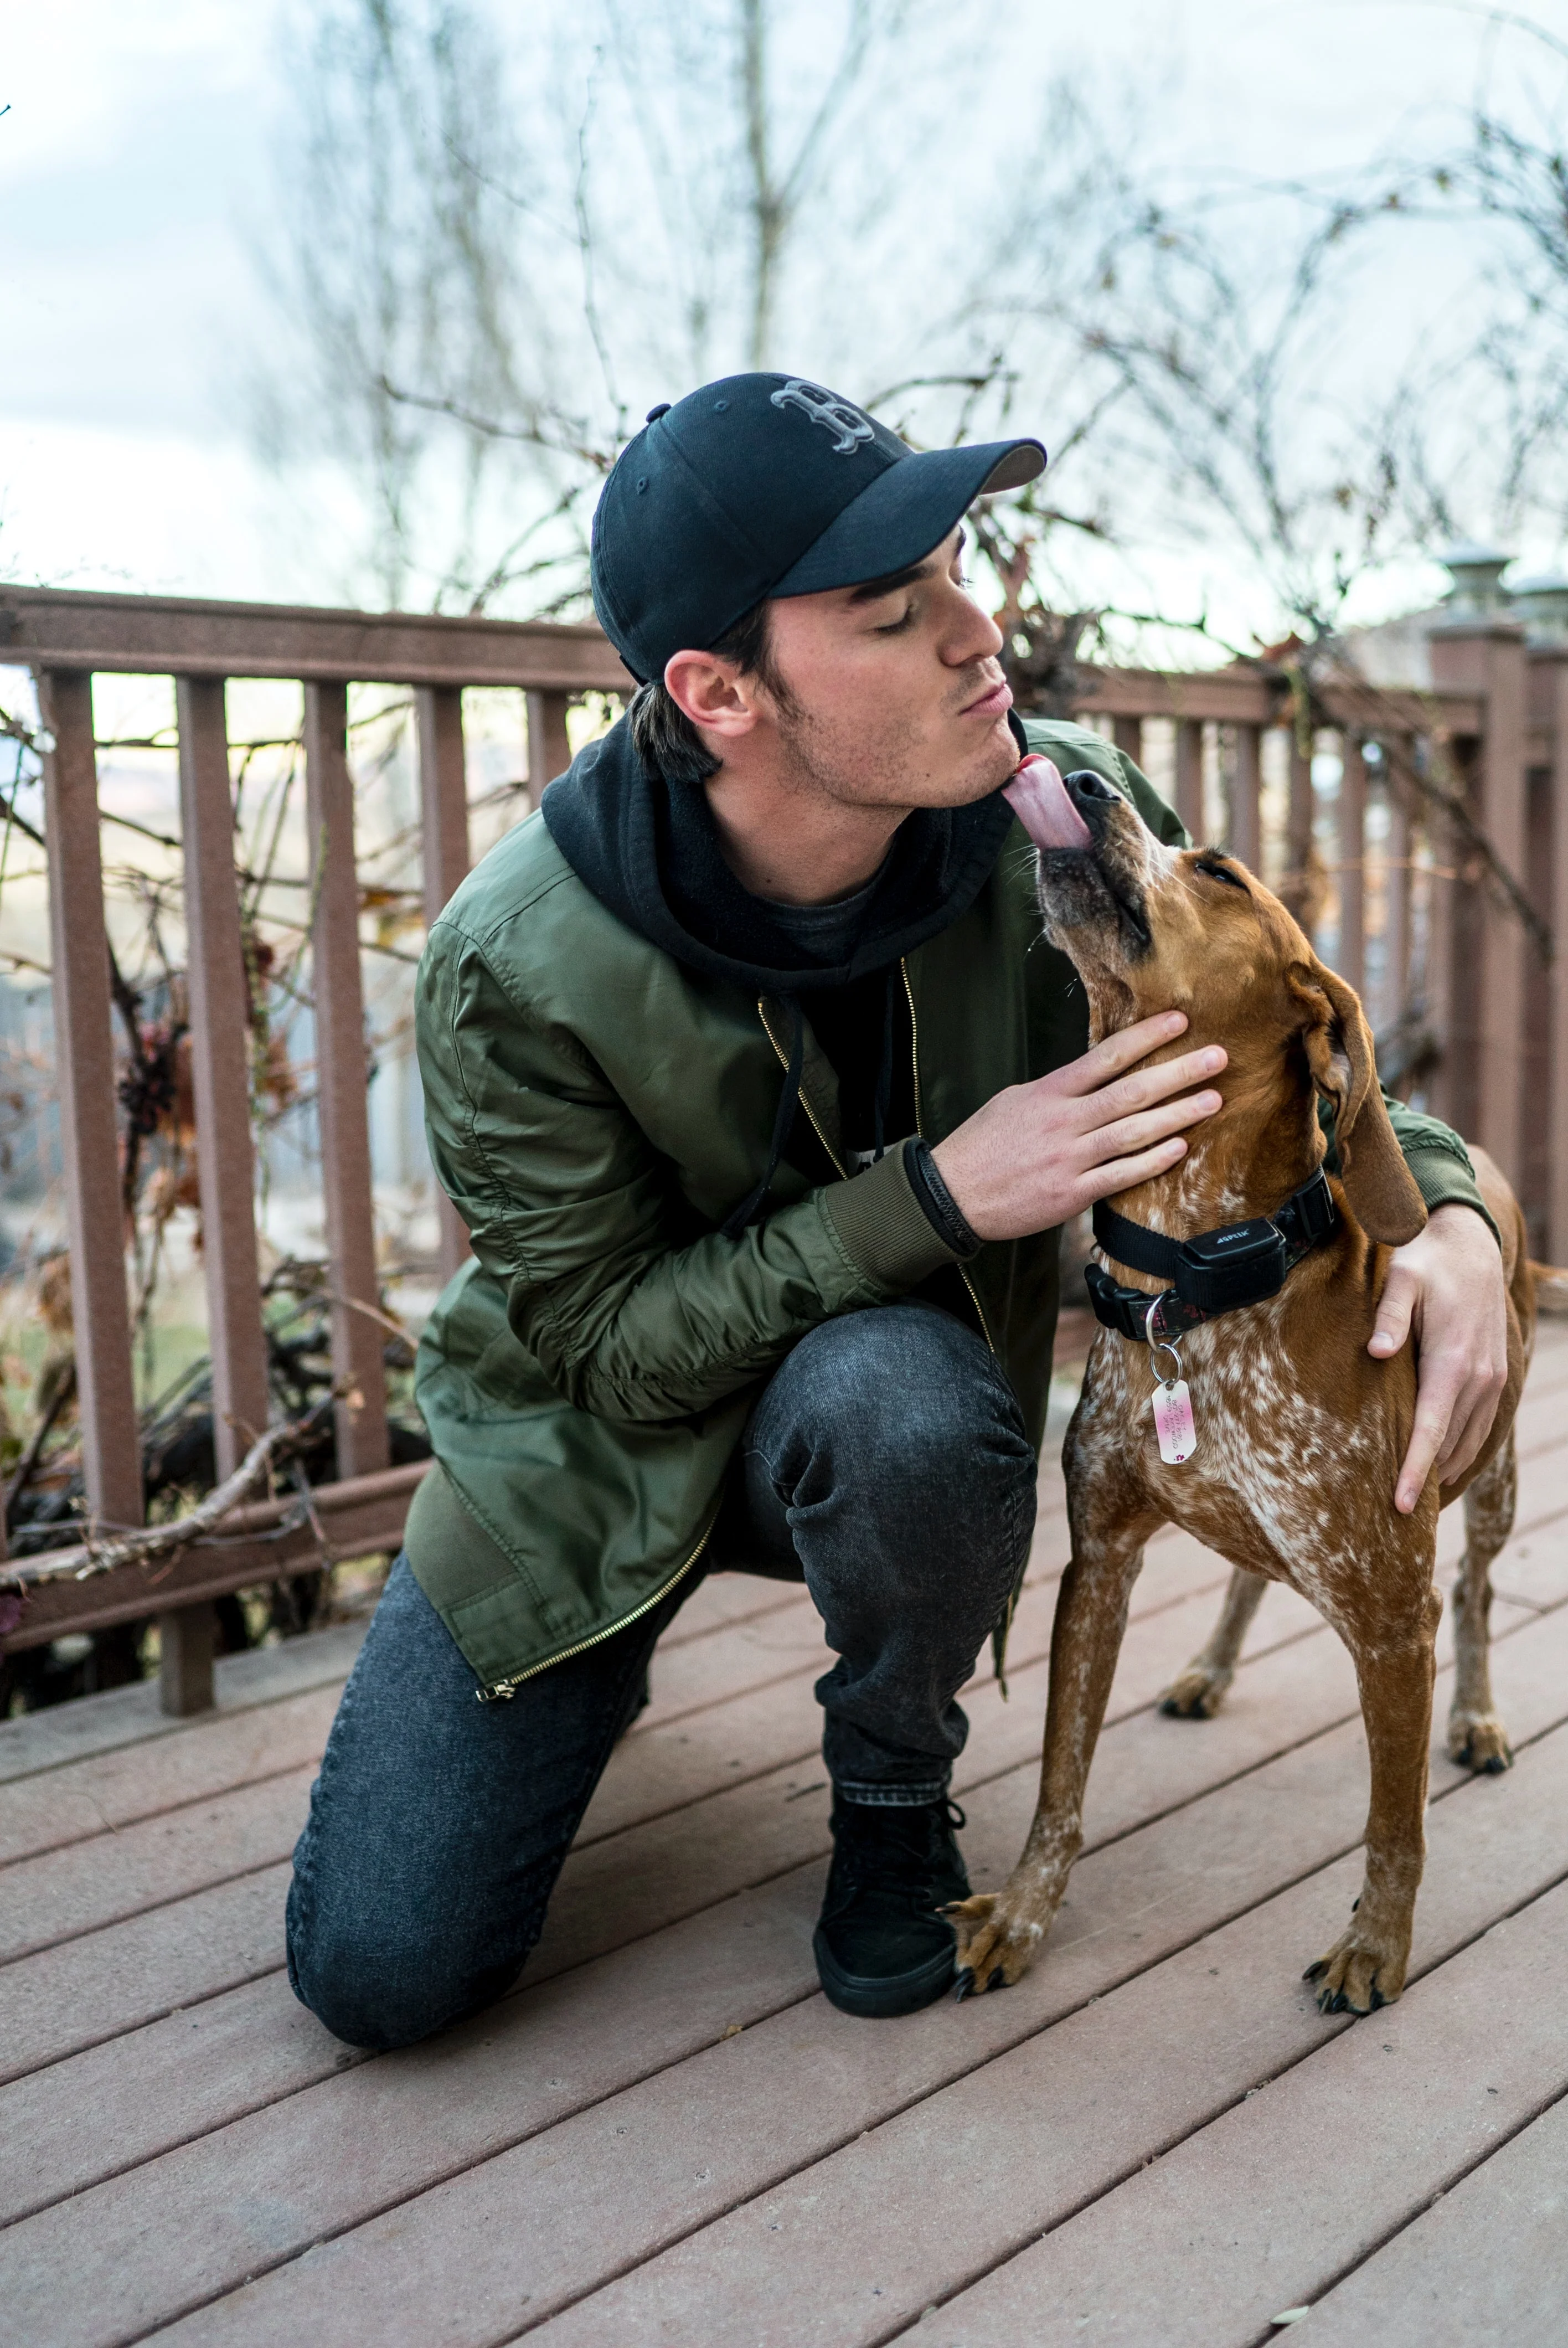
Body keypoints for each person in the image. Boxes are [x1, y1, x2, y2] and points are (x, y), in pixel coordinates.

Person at [285, 372, 1509, 2045]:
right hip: (590, 1472)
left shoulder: (1049, 819)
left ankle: (889, 1793)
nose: (975, 624)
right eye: (895, 607)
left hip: (886, 1441)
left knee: (903, 1398)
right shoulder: (519, 961)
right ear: (719, 691)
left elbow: (1275, 1036)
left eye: (957, 564)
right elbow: (604, 1354)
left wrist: (1460, 1228)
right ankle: (597, 1660)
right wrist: (936, 1195)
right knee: (379, 1978)